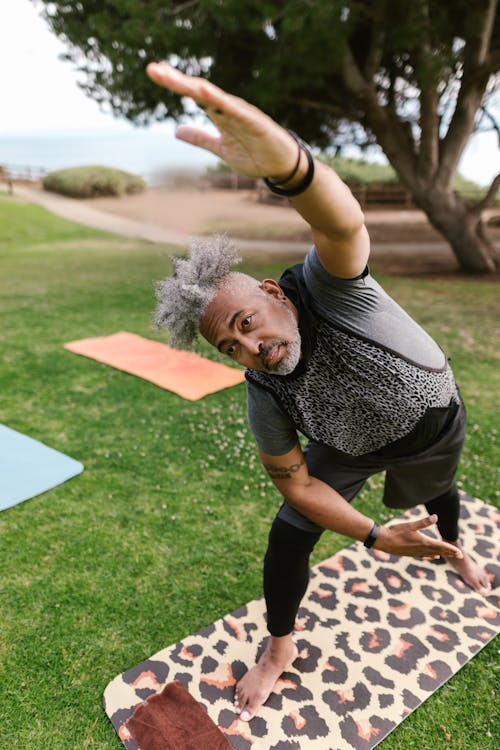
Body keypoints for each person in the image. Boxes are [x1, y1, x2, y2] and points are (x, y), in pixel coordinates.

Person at [146, 61, 491, 723]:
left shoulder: (332, 289)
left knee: (437, 491)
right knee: (287, 535)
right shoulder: (263, 391)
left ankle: (457, 551)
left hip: (432, 424)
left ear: (273, 296)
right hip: (348, 451)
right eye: (231, 347)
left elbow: (339, 222)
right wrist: (371, 536)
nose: (250, 348)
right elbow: (299, 485)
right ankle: (279, 648)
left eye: (246, 324)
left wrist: (291, 170)